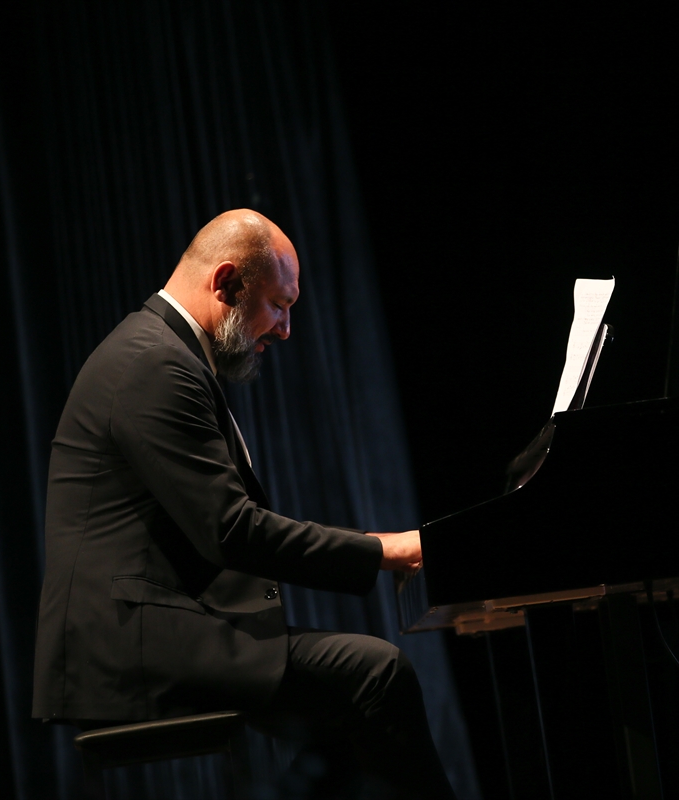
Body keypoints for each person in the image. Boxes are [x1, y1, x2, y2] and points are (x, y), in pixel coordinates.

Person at [32, 209, 455, 798]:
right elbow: (232, 530)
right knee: (376, 673)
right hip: (131, 645)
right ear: (226, 283)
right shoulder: (153, 363)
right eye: (279, 305)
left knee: (348, 712)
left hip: (155, 631)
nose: (285, 329)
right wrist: (386, 549)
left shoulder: (166, 354)